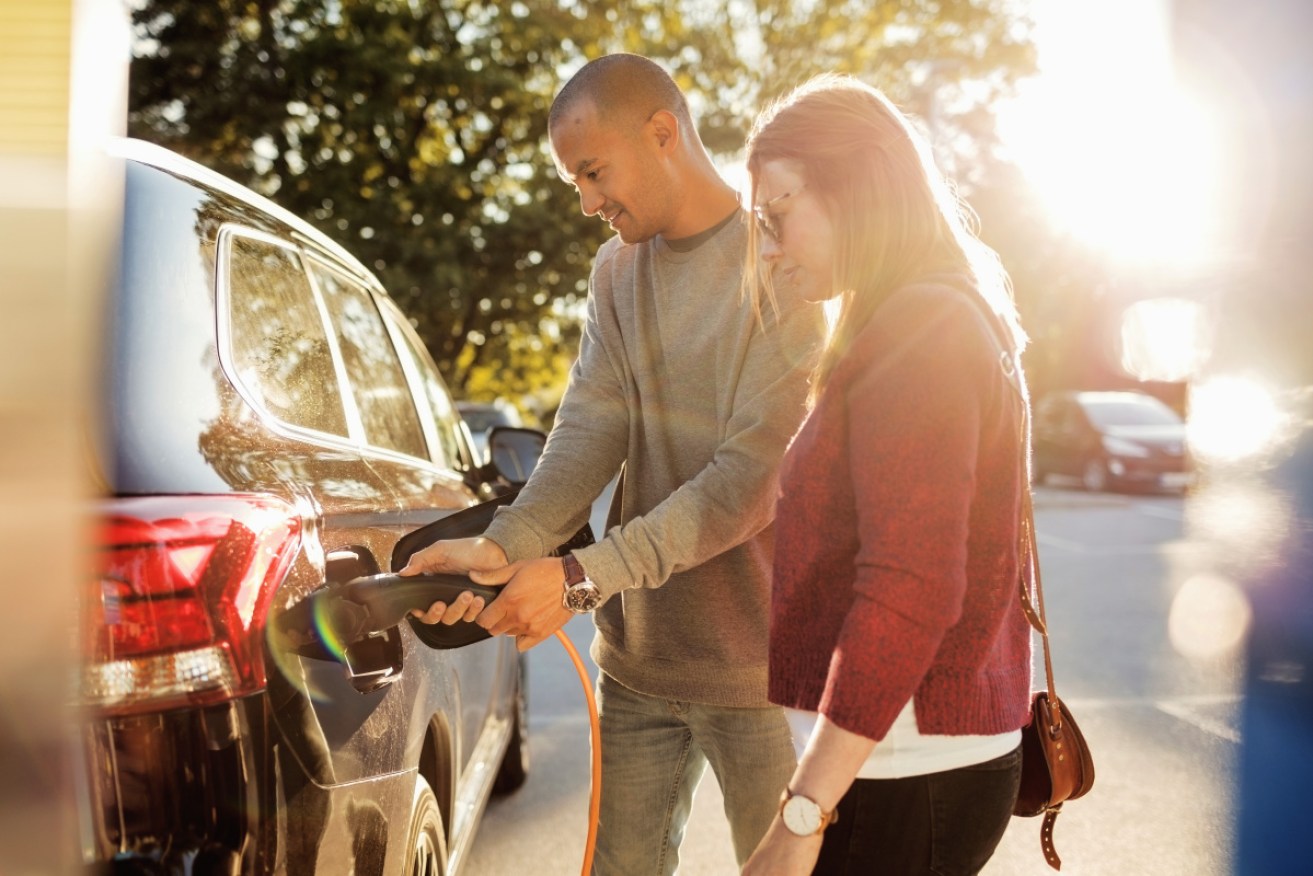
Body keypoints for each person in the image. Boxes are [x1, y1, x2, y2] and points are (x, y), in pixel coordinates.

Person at [400, 53, 825, 874]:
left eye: (593, 172)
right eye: (574, 184)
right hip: (640, 666)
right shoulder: (617, 272)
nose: (589, 202)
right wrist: (506, 543)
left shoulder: (785, 267)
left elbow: (747, 484)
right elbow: (590, 425)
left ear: (663, 133)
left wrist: (582, 577)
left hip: (766, 677)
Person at [738, 75, 1034, 876]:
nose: (767, 248)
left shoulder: (921, 327)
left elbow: (910, 585)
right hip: (908, 762)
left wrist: (802, 814)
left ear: (858, 190)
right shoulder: (933, 311)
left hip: (905, 772)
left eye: (777, 215)